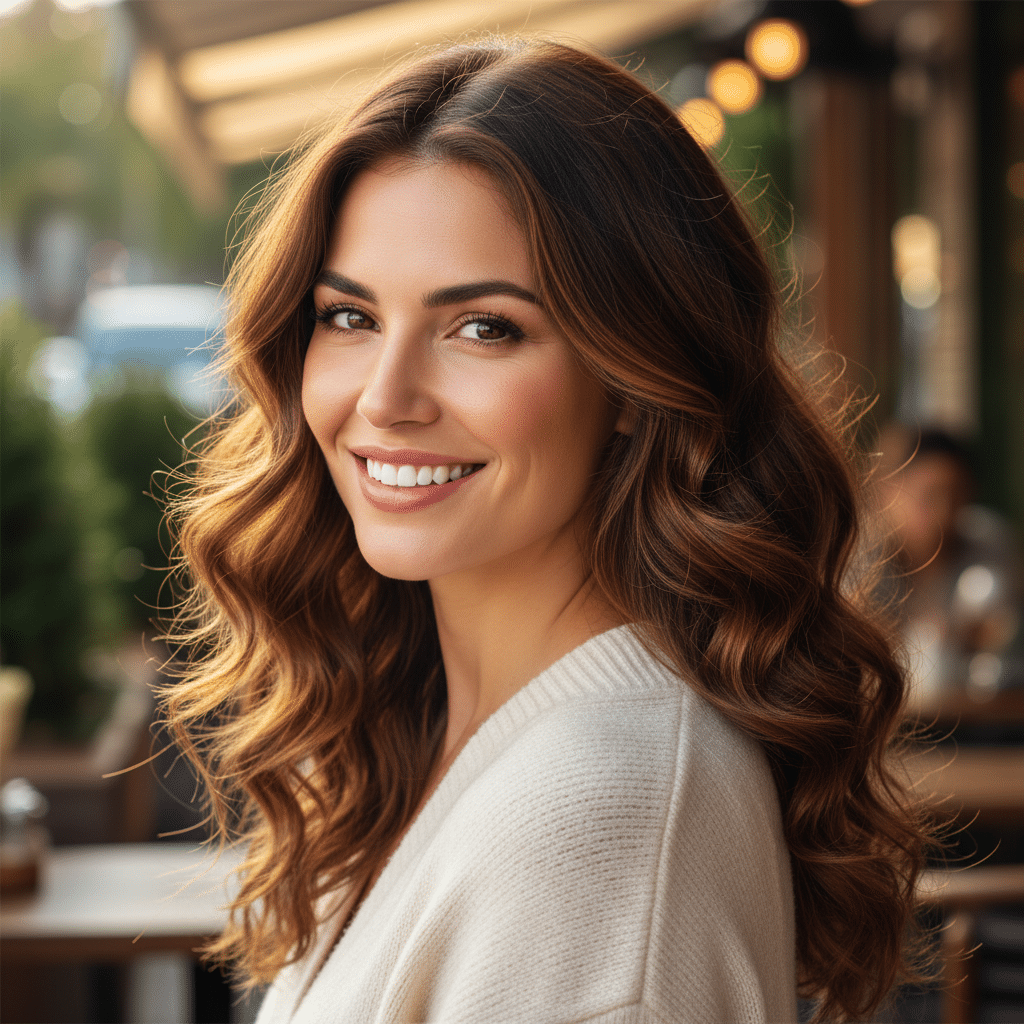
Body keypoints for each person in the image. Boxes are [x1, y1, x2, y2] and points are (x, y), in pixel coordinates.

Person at [161, 38, 931, 1024]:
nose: (385, 399)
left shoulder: (593, 835)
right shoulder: (436, 734)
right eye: (348, 317)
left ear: (630, 374)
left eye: (483, 328)